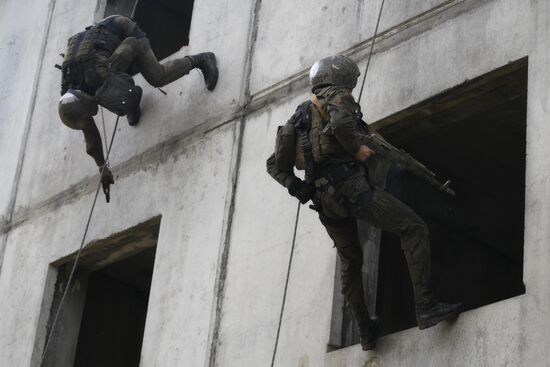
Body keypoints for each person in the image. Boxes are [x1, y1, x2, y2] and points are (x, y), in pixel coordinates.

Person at [266, 55, 462, 351]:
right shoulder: (339, 97)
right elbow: (344, 122)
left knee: (351, 262)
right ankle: (426, 307)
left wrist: (298, 188)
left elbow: (273, 165)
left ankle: (365, 330)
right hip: (354, 191)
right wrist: (356, 149)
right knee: (413, 228)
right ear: (340, 77)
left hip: (326, 204)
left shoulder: (298, 118)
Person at [58, 15, 219, 197]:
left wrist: (126, 81)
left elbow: (132, 44)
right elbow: (91, 137)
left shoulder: (99, 74)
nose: (89, 119)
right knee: (107, 92)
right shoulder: (71, 95)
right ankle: (132, 99)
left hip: (123, 30)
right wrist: (102, 167)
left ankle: (201, 60)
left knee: (157, 77)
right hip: (104, 48)